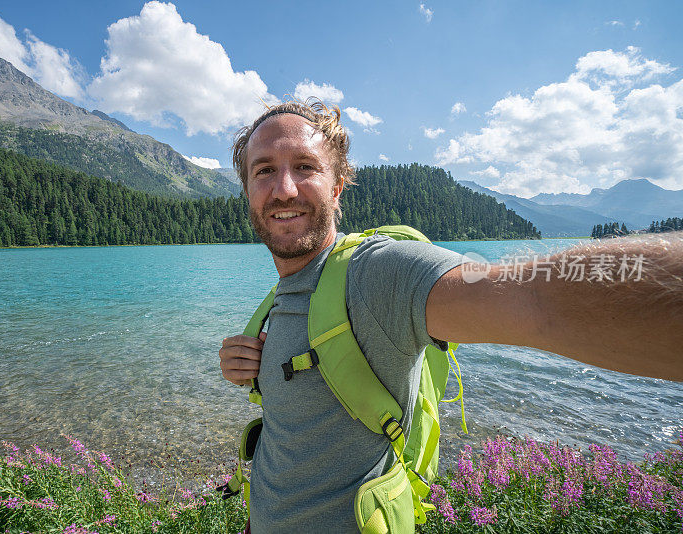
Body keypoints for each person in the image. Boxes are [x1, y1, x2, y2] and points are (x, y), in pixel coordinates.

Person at [218, 99, 683, 533]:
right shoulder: (287, 292)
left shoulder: (377, 273)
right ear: (247, 191)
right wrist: (249, 367)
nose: (283, 188)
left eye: (305, 167)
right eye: (264, 171)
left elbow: (539, 299)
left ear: (337, 187)